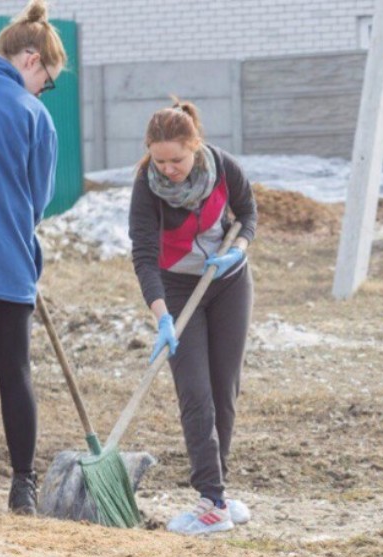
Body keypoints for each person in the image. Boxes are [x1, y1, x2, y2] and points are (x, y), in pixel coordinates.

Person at [128, 99, 257, 535]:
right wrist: (161, 316)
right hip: (179, 289)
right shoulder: (146, 188)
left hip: (229, 282)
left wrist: (236, 252)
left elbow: (249, 216)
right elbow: (144, 257)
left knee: (224, 389)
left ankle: (216, 498)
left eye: (177, 159)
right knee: (195, 392)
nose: (168, 169)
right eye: (159, 160)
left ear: (195, 146)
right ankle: (211, 498)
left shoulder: (223, 167)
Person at [0, 0, 66, 516]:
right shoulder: (34, 116)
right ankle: (22, 488)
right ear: (30, 60)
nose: (43, 90)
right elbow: (37, 201)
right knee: (14, 371)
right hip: (6, 260)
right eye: (46, 80)